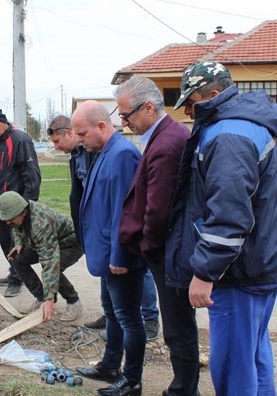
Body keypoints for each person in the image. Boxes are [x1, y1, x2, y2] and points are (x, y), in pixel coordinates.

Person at [166, 61, 277, 395]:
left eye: (192, 104)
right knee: (253, 356)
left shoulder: (228, 136)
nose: (191, 114)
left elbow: (229, 215)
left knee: (233, 367)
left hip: (239, 274)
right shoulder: (251, 124)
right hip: (262, 264)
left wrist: (205, 272)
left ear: (211, 94)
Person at [114, 76, 197, 396]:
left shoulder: (166, 143)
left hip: (167, 251)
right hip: (164, 249)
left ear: (148, 107)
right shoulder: (161, 136)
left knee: (178, 327)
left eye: (127, 115)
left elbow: (158, 209)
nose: (124, 122)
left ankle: (183, 390)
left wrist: (147, 245)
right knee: (177, 324)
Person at [48, 115, 161, 340]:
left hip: (112, 227)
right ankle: (109, 316)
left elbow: (121, 201)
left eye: (58, 142)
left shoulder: (104, 152)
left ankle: (150, 318)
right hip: (95, 226)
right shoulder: (77, 156)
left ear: (69, 133)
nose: (56, 147)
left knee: (137, 272)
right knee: (105, 271)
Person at [72, 100, 145, 396]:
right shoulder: (104, 151)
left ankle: (132, 380)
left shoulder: (123, 154)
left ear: (102, 126)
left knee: (129, 318)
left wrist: (119, 255)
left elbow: (125, 212)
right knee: (112, 313)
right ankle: (110, 366)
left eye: (82, 133)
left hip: (120, 257)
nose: (79, 140)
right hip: (107, 254)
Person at [0, 107, 42, 298]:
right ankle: (15, 272)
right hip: (0, 205)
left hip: (18, 207)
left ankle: (17, 278)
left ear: (4, 122)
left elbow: (32, 175)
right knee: (4, 240)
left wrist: (28, 205)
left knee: (18, 243)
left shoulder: (20, 140)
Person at [0, 190, 84, 322]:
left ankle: (74, 302)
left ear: (23, 211)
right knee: (17, 259)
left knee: (55, 268)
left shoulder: (40, 223)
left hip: (70, 244)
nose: (8, 222)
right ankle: (41, 298)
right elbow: (16, 228)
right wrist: (19, 242)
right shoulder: (21, 213)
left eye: (11, 219)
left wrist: (51, 298)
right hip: (46, 242)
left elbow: (50, 261)